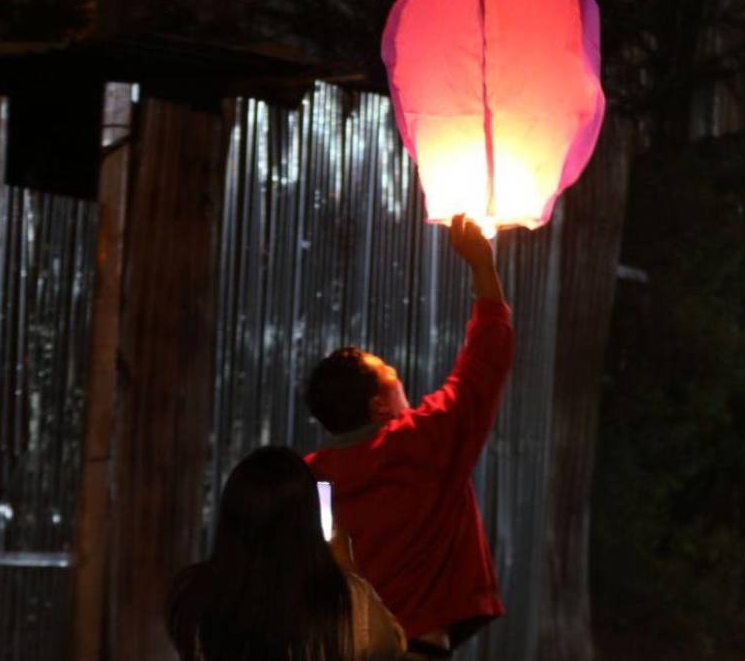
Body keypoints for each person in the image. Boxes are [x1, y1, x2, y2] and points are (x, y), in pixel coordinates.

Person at [304, 214, 512, 658]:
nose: (406, 389)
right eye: (393, 378)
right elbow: (485, 363)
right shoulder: (420, 444)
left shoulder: (313, 480)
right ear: (379, 406)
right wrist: (482, 268)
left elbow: (322, 550)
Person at [167, 446, 405, 661]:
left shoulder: (192, 597)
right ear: (308, 523)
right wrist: (347, 568)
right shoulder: (346, 607)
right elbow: (393, 645)